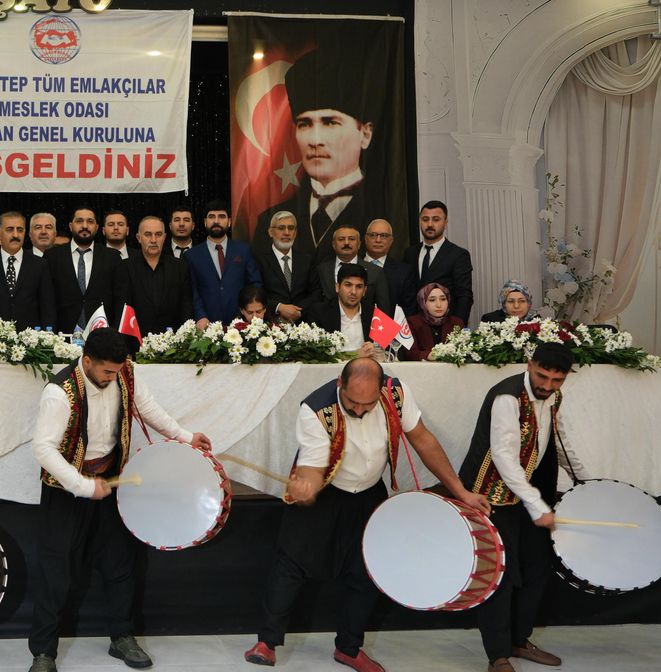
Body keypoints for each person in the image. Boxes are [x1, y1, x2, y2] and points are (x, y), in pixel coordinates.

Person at [243, 357, 490, 671]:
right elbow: (314, 463)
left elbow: (423, 440)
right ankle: (267, 642)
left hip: (369, 492)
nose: (359, 410)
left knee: (368, 571)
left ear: (381, 389)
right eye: (352, 402)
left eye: (368, 404)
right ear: (340, 384)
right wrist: (308, 485)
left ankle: (349, 648)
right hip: (327, 489)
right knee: (291, 563)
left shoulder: (396, 394)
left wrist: (461, 491)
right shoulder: (316, 409)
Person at [29, 329, 212, 672]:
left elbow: (149, 408)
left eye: (116, 371)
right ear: (87, 361)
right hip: (66, 490)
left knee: (120, 564)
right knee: (56, 571)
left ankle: (122, 637)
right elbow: (43, 449)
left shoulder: (125, 371)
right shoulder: (59, 392)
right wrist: (84, 486)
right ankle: (43, 652)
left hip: (111, 481)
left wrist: (185, 436)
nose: (113, 377)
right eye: (106, 372)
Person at [458, 343, 588, 672]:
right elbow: (504, 457)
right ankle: (497, 655)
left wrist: (586, 482)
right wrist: (536, 505)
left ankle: (519, 639)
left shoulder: (554, 397)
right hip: (492, 493)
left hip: (529, 493)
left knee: (536, 567)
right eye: (542, 376)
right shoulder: (507, 397)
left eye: (557, 380)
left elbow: (557, 439)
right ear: (530, 364)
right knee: (500, 575)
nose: (547, 386)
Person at [251, 45, 384, 262]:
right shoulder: (270, 220)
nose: (315, 140)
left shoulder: (384, 211)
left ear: (365, 134)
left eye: (330, 122)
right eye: (304, 124)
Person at [0, 211, 54, 330]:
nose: (15, 235)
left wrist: (47, 335)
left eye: (20, 230)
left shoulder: (39, 265)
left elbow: (47, 306)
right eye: (10, 229)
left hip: (31, 337)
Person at [45, 206, 121, 334]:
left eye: (90, 222)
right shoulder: (52, 256)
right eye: (79, 221)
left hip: (102, 333)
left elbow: (118, 300)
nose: (85, 226)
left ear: (97, 227)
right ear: (70, 226)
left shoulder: (112, 257)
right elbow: (47, 300)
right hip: (62, 334)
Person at [184, 200, 262, 327]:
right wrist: (201, 316)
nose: (216, 221)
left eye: (221, 216)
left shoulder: (243, 250)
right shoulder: (191, 255)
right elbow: (192, 292)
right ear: (205, 222)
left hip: (241, 323)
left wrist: (248, 313)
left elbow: (255, 284)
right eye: (211, 217)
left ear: (229, 222)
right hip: (206, 324)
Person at [117, 216, 191, 333]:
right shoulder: (125, 268)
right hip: (136, 340)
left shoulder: (180, 267)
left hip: (173, 340)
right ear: (139, 238)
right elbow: (122, 312)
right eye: (148, 234)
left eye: (158, 234)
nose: (153, 240)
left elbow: (186, 307)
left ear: (164, 238)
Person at [402, 201, 474, 324]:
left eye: (436, 219)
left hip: (445, 326)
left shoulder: (458, 255)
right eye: (425, 219)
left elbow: (464, 296)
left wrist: (457, 328)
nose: (430, 224)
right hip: (414, 326)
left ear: (445, 223)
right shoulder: (410, 253)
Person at [256, 211, 318, 324]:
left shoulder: (307, 260)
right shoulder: (259, 260)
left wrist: (297, 311)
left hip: (304, 323)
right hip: (271, 323)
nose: (286, 232)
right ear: (270, 232)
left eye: (291, 228)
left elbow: (316, 293)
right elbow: (257, 293)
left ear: (295, 233)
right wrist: (278, 307)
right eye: (281, 228)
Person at [305, 264, 377, 359]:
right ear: (337, 287)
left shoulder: (374, 314)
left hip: (366, 367)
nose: (353, 292)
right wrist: (353, 355)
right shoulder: (319, 312)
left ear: (364, 290)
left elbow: (390, 350)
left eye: (359, 287)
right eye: (348, 285)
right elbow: (312, 353)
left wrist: (377, 350)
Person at [314, 226, 390, 314]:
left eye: (351, 239)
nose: (346, 243)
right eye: (341, 239)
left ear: (359, 244)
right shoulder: (321, 270)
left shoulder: (375, 271)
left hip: (364, 321)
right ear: (334, 245)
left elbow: (383, 309)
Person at [363, 219, 417, 317]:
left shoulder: (404, 272)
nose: (378, 240)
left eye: (384, 236)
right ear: (366, 238)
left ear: (391, 241)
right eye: (373, 235)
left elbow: (408, 310)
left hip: (393, 325)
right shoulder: (355, 266)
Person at [405, 283, 464, 361]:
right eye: (432, 300)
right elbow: (410, 353)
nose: (439, 305)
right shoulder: (412, 323)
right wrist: (429, 355)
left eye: (443, 299)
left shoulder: (456, 323)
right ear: (423, 302)